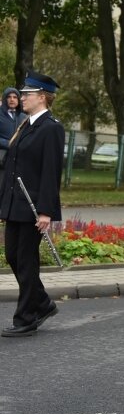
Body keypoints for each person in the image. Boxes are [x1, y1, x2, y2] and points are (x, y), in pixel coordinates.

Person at [0, 72, 64, 337]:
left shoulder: (51, 127)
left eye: (27, 93)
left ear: (42, 96)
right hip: (16, 203)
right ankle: (42, 302)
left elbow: (51, 172)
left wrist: (46, 211)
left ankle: (26, 317)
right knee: (14, 257)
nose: (21, 97)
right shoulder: (26, 124)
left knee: (26, 262)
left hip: (34, 206)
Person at [0, 87, 26, 181]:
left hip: (17, 161)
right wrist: (8, 143)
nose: (12, 99)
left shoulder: (24, 117)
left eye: (15, 97)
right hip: (2, 159)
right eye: (9, 97)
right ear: (4, 99)